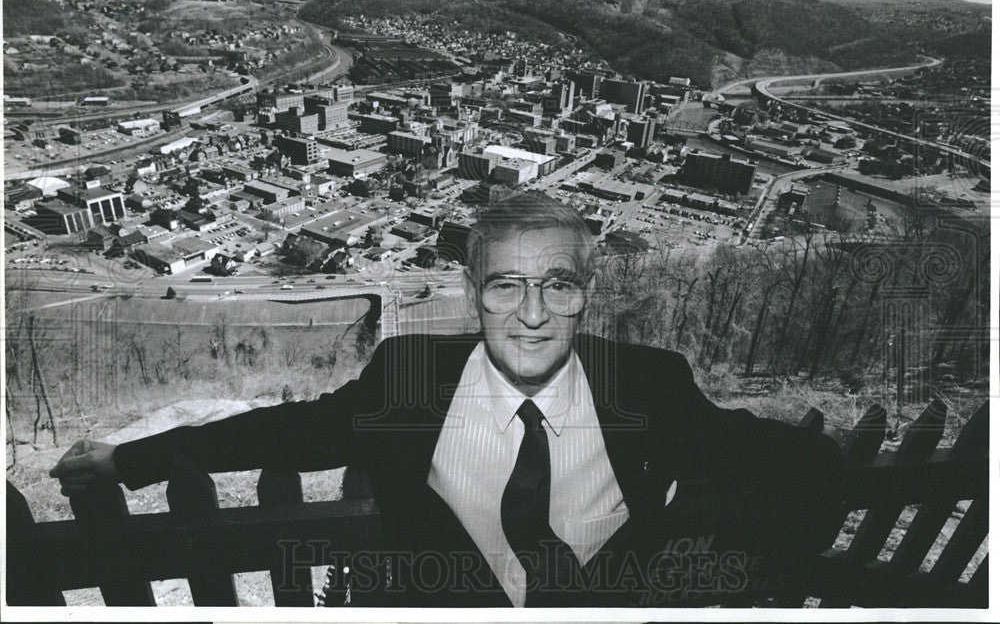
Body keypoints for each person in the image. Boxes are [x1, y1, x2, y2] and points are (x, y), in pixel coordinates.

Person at [52, 191, 843, 607]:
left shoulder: (649, 385)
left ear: (585, 295)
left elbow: (793, 462)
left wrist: (752, 584)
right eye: (506, 286)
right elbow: (285, 433)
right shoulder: (409, 380)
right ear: (474, 294)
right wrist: (127, 459)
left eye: (557, 285)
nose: (531, 314)